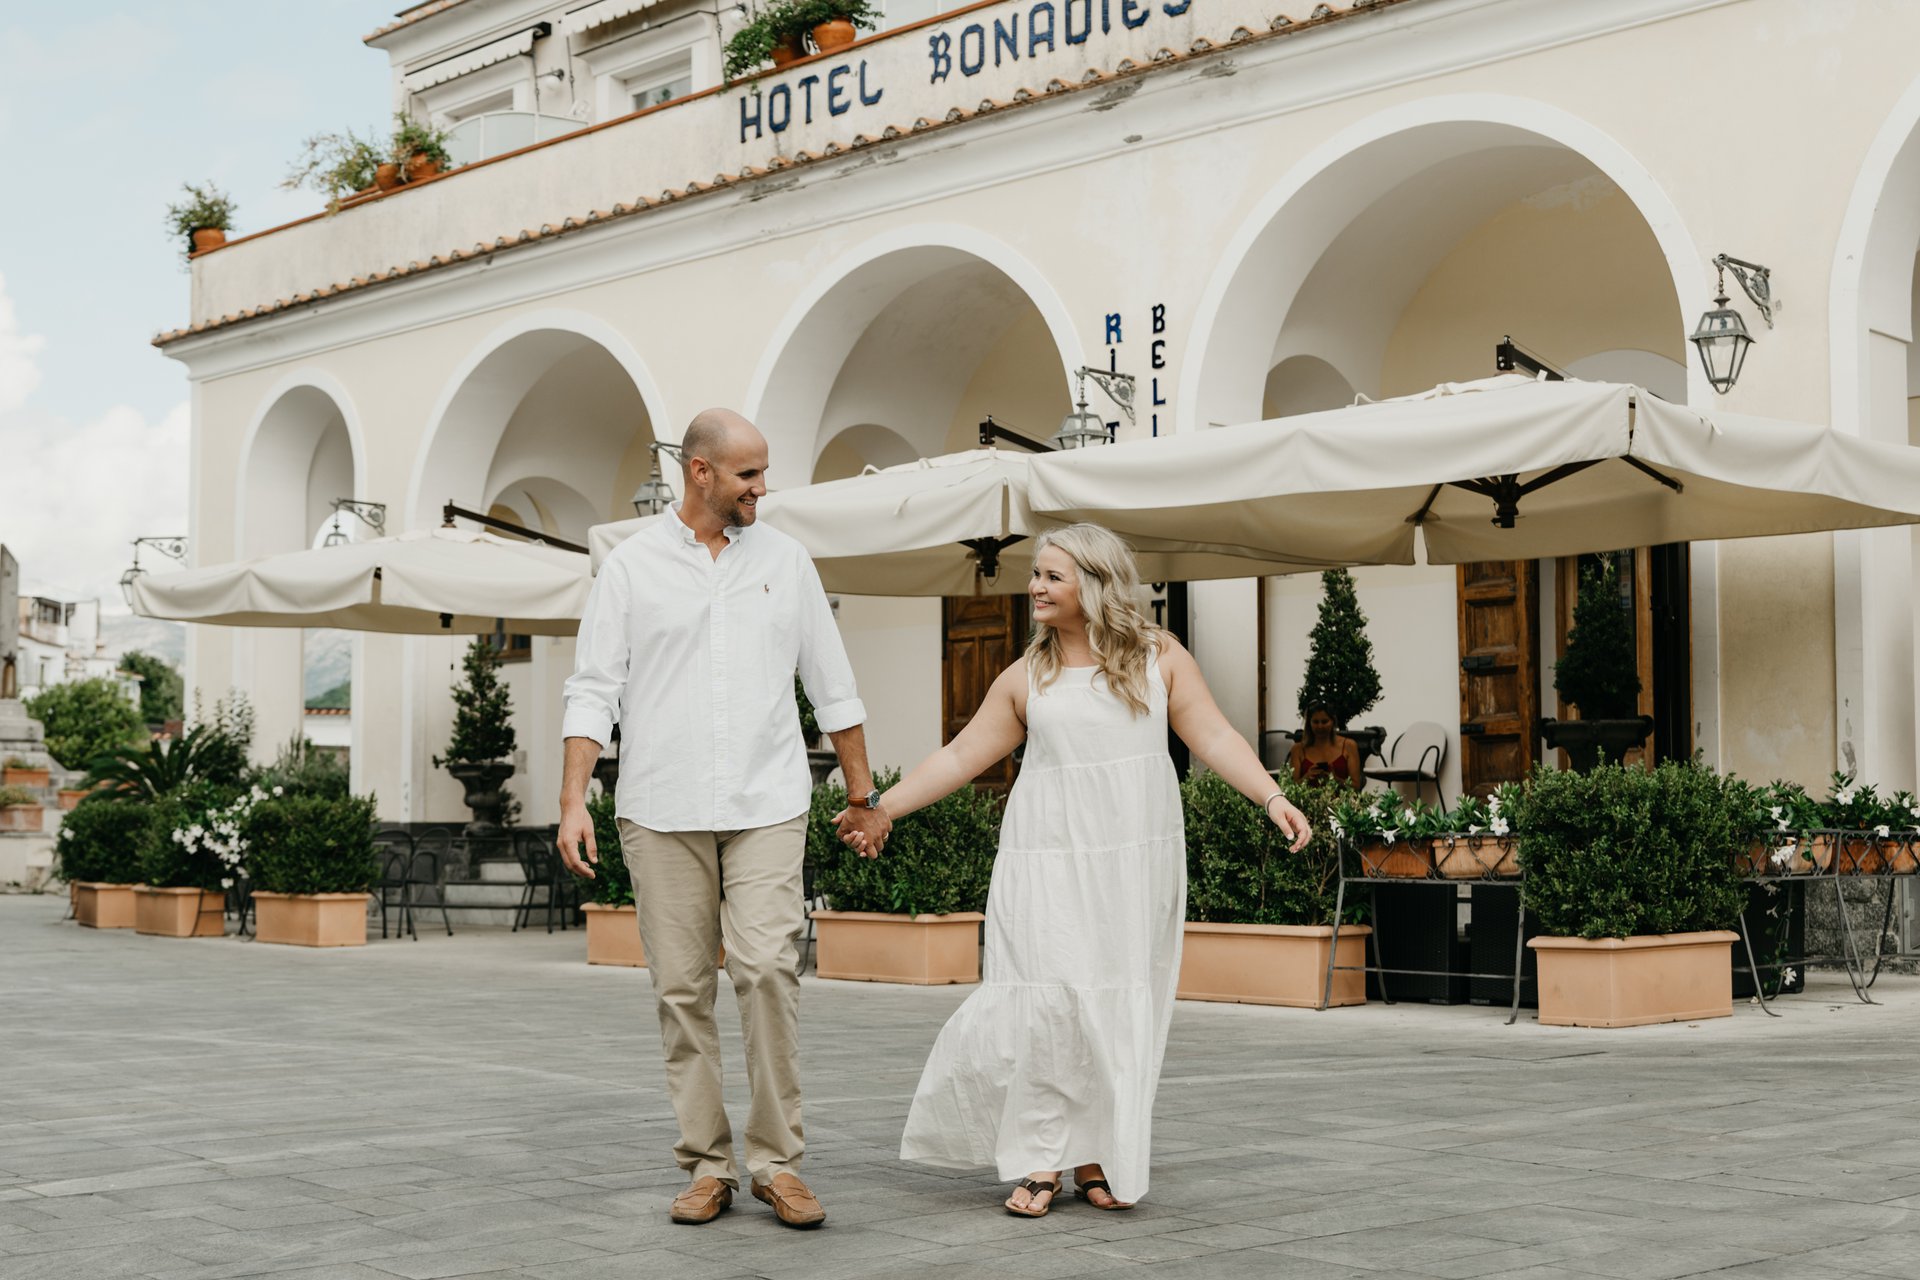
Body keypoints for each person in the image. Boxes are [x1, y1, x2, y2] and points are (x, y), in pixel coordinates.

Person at [836, 523, 1311, 1216]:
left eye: (1052, 576)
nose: (1035, 586)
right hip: (1046, 858)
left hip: (1131, 861)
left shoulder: (1159, 658)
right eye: (1037, 574)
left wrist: (1271, 796)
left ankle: (1093, 1152)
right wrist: (882, 809)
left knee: (1110, 1004)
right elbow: (961, 756)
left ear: (1095, 584)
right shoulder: (1027, 677)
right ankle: (1040, 1156)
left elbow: (1212, 733)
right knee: (1049, 1003)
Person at [556, 408, 891, 1231]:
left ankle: (777, 1162)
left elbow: (832, 683)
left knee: (769, 968)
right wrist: (571, 801)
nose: (762, 488)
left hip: (766, 801)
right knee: (681, 989)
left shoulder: (787, 560)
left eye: (763, 471)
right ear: (699, 471)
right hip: (659, 806)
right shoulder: (630, 568)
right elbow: (593, 689)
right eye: (749, 473)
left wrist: (861, 795)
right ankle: (707, 1166)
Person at [1289, 700, 1364, 790]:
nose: (1320, 726)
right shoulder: (1298, 749)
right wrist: (1307, 777)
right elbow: (1291, 787)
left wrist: (1335, 779)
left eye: (1324, 722)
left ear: (1333, 722)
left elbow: (1356, 786)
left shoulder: (1349, 746)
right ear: (1309, 723)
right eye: (1315, 722)